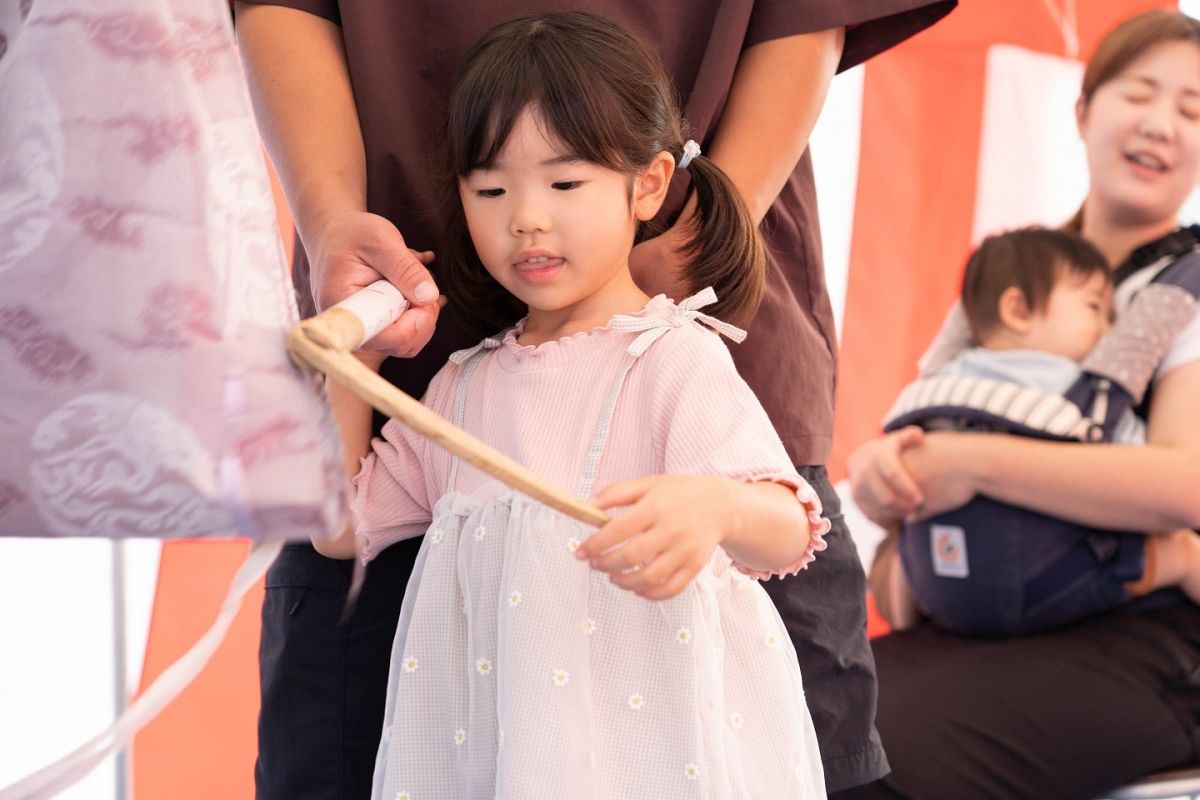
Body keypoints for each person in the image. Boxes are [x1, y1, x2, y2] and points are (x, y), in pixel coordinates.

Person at [234, 1, 957, 797]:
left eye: (566, 180)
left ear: (649, 184)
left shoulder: (672, 355)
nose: (528, 220)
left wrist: (714, 510)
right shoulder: (461, 387)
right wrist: (351, 357)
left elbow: (785, 529)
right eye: (491, 189)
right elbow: (341, 528)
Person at [844, 10, 1200, 799]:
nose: (1160, 125)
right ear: (1083, 110)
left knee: (884, 759)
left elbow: (1184, 487)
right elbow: (922, 435)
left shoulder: (1187, 293)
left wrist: (968, 463)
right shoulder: (1003, 279)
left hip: (1140, 638)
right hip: (971, 614)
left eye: (1193, 110)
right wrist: (884, 470)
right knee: (793, 720)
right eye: (1140, 93)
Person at [886, 226, 1200, 638]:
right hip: (1043, 584)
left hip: (937, 590)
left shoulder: (939, 380)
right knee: (1182, 548)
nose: (1107, 331)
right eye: (1094, 309)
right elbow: (1150, 479)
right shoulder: (1081, 394)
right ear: (1018, 310)